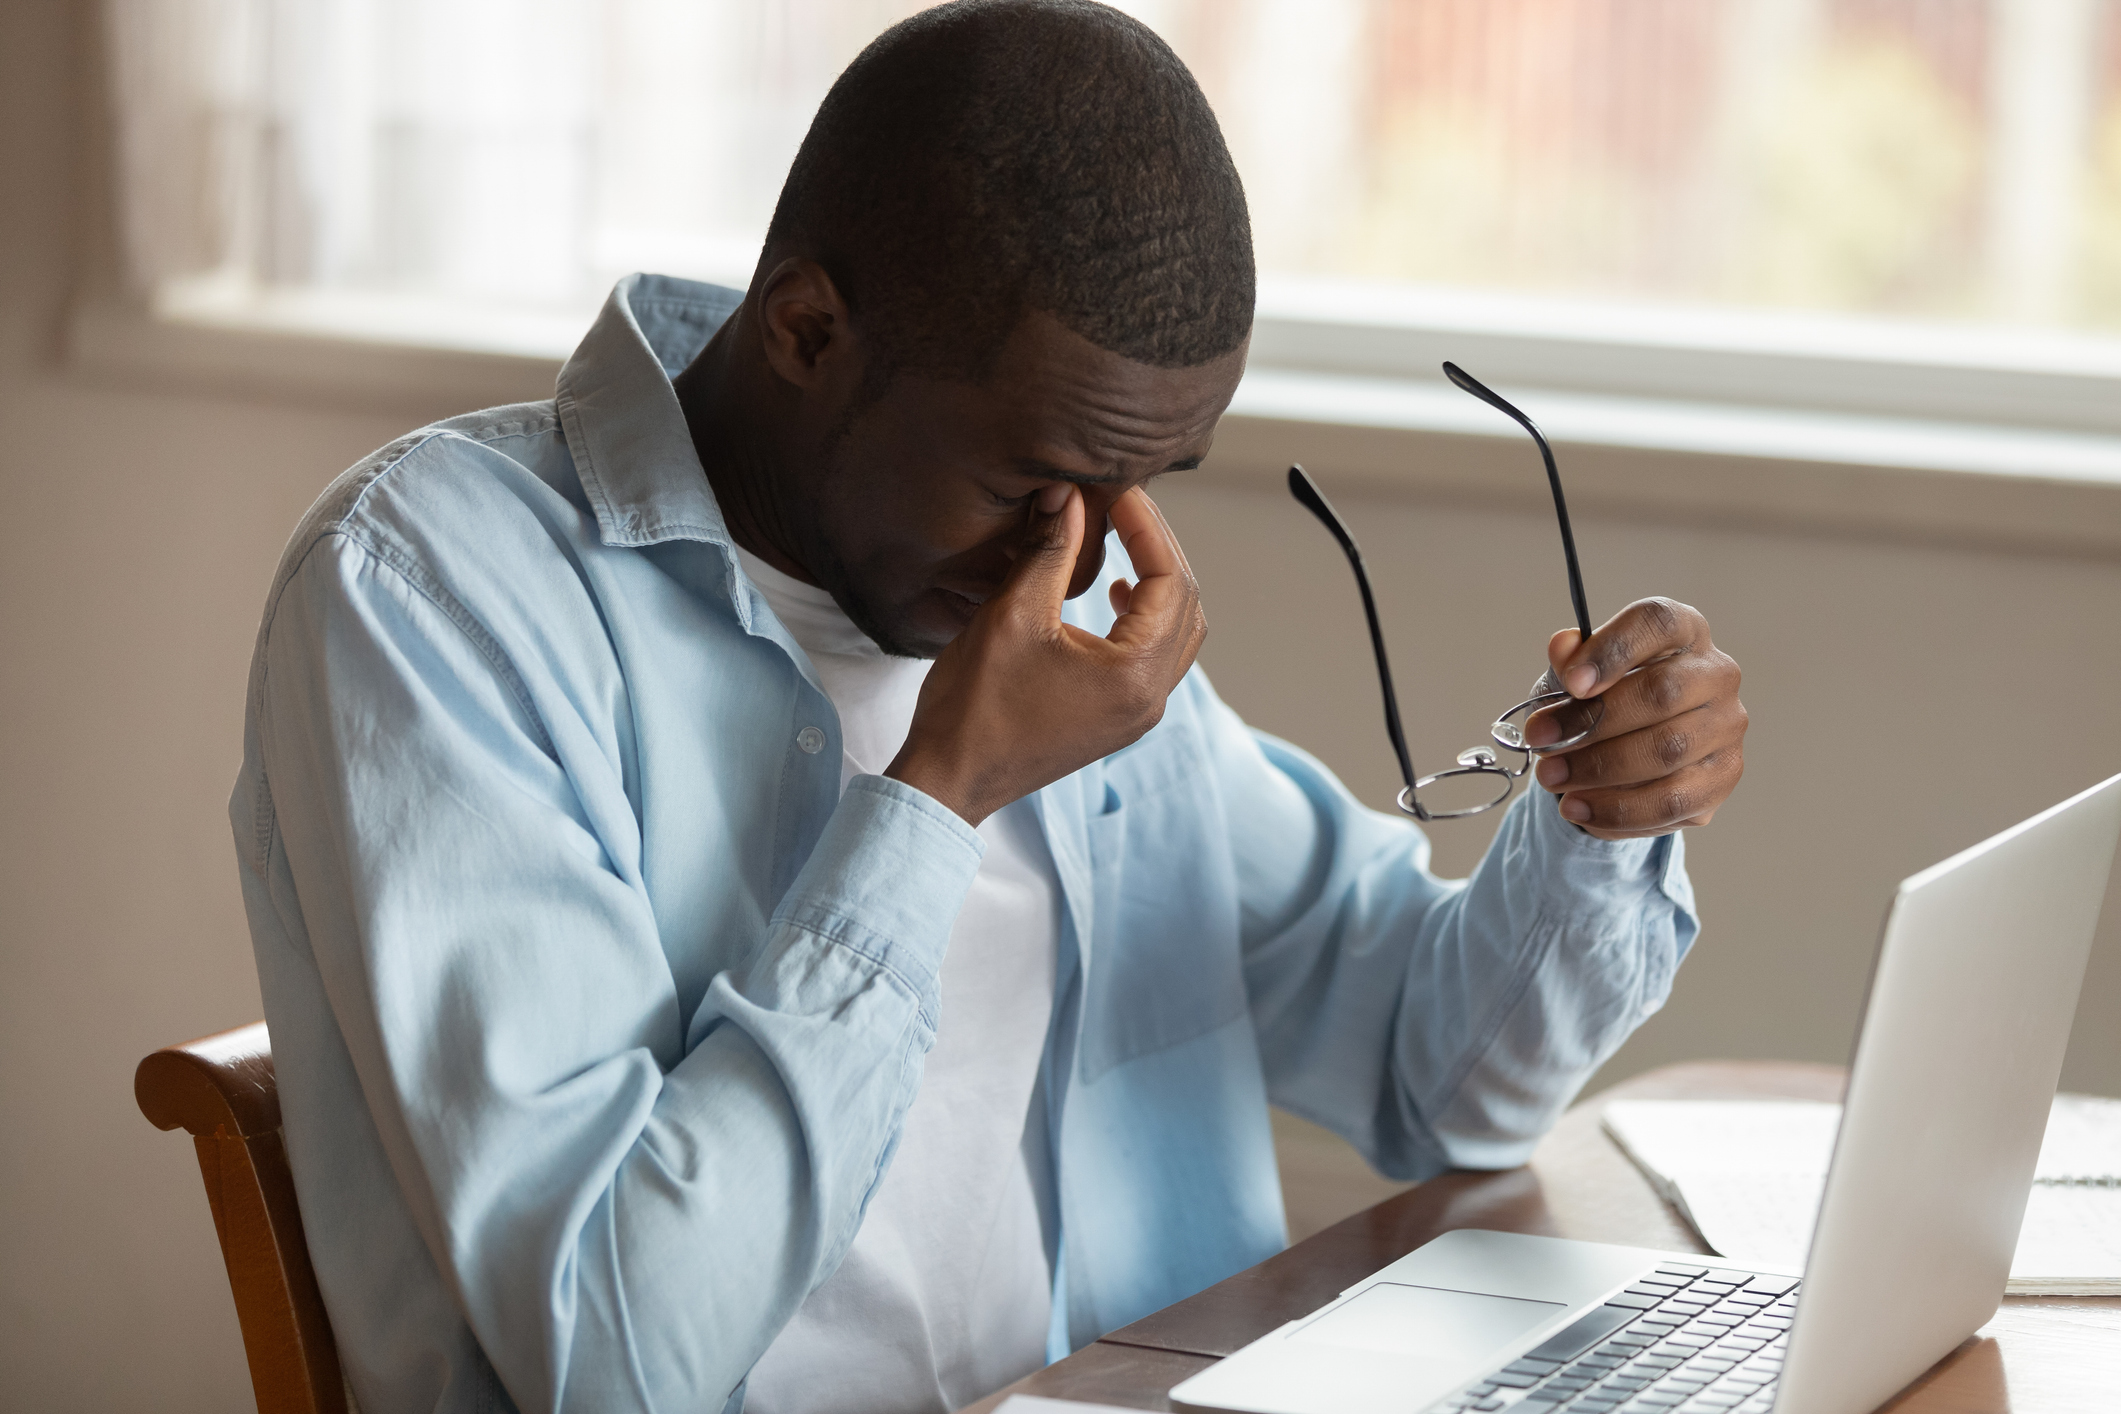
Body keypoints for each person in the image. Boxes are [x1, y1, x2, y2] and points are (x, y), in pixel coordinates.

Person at [230, 3, 1747, 1412]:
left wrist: (1603, 815)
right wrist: (938, 795)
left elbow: (1438, 1078)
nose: (1081, 560)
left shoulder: (1060, 590)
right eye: (1029, 482)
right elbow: (618, 1352)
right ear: (808, 330)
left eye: (1137, 486)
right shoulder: (433, 591)